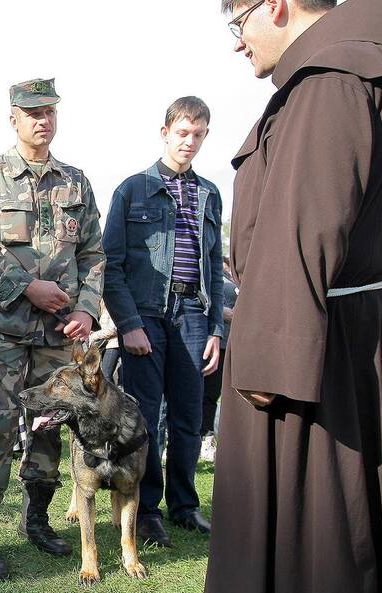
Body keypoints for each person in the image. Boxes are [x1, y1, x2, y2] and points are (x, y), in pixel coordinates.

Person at [200, 2, 382, 593]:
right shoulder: (362, 65)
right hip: (352, 334)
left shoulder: (331, 81)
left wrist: (269, 366)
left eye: (238, 24)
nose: (238, 44)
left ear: (276, 6)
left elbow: (303, 228)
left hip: (319, 348)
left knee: (318, 530)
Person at [0, 78, 105, 581]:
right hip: (3, 330)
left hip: (60, 332)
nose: (43, 120)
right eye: (32, 112)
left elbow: (93, 254)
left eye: (50, 111)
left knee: (48, 429)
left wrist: (86, 311)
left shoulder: (76, 181)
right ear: (13, 118)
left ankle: (37, 519)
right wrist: (27, 288)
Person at [101, 96, 224, 547]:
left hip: (194, 314)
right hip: (147, 316)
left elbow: (214, 262)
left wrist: (216, 329)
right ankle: (147, 509)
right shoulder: (133, 189)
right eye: (182, 133)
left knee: (191, 417)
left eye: (198, 134)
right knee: (146, 418)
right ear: (165, 133)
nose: (189, 142)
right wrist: (128, 323)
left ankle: (185, 506)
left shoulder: (210, 192)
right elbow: (110, 265)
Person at [199, 257, 238, 462]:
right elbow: (207, 301)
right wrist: (224, 313)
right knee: (207, 393)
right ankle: (204, 437)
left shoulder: (236, 279)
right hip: (216, 344)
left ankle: (212, 438)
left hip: (234, 344)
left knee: (216, 395)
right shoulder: (215, 278)